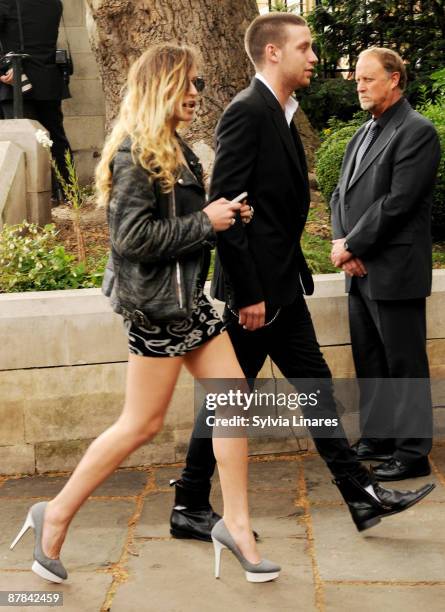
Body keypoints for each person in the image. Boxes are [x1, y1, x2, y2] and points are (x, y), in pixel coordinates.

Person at [9, 44, 281, 585]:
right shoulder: (135, 153)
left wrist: (225, 215)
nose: (197, 95)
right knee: (141, 424)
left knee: (232, 400)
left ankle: (239, 526)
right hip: (157, 311)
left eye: (199, 85)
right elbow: (132, 239)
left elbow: (183, 219)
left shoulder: (175, 148)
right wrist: (207, 222)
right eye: (190, 84)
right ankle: (54, 515)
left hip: (189, 306)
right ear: (163, 85)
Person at [170, 13, 435, 541]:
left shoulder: (282, 112)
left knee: (299, 391)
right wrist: (248, 293)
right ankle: (191, 502)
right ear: (273, 53)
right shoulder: (248, 112)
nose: (315, 57)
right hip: (258, 295)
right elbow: (226, 207)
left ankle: (358, 496)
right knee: (235, 396)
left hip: (280, 289)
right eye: (306, 47)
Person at [330, 47, 441, 480]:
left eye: (367, 78)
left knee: (403, 362)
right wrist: (344, 244)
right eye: (357, 78)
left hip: (395, 269)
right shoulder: (362, 132)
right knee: (369, 357)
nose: (358, 85)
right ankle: (378, 437)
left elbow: (398, 203)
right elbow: (340, 193)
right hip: (359, 267)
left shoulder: (418, 132)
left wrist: (353, 246)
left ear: (394, 79)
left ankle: (412, 453)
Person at [0, 0, 72, 199]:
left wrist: (5, 67)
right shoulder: (53, 3)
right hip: (48, 79)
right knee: (55, 139)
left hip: (16, 82)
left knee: (21, 142)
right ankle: (68, 192)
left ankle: (29, 199)